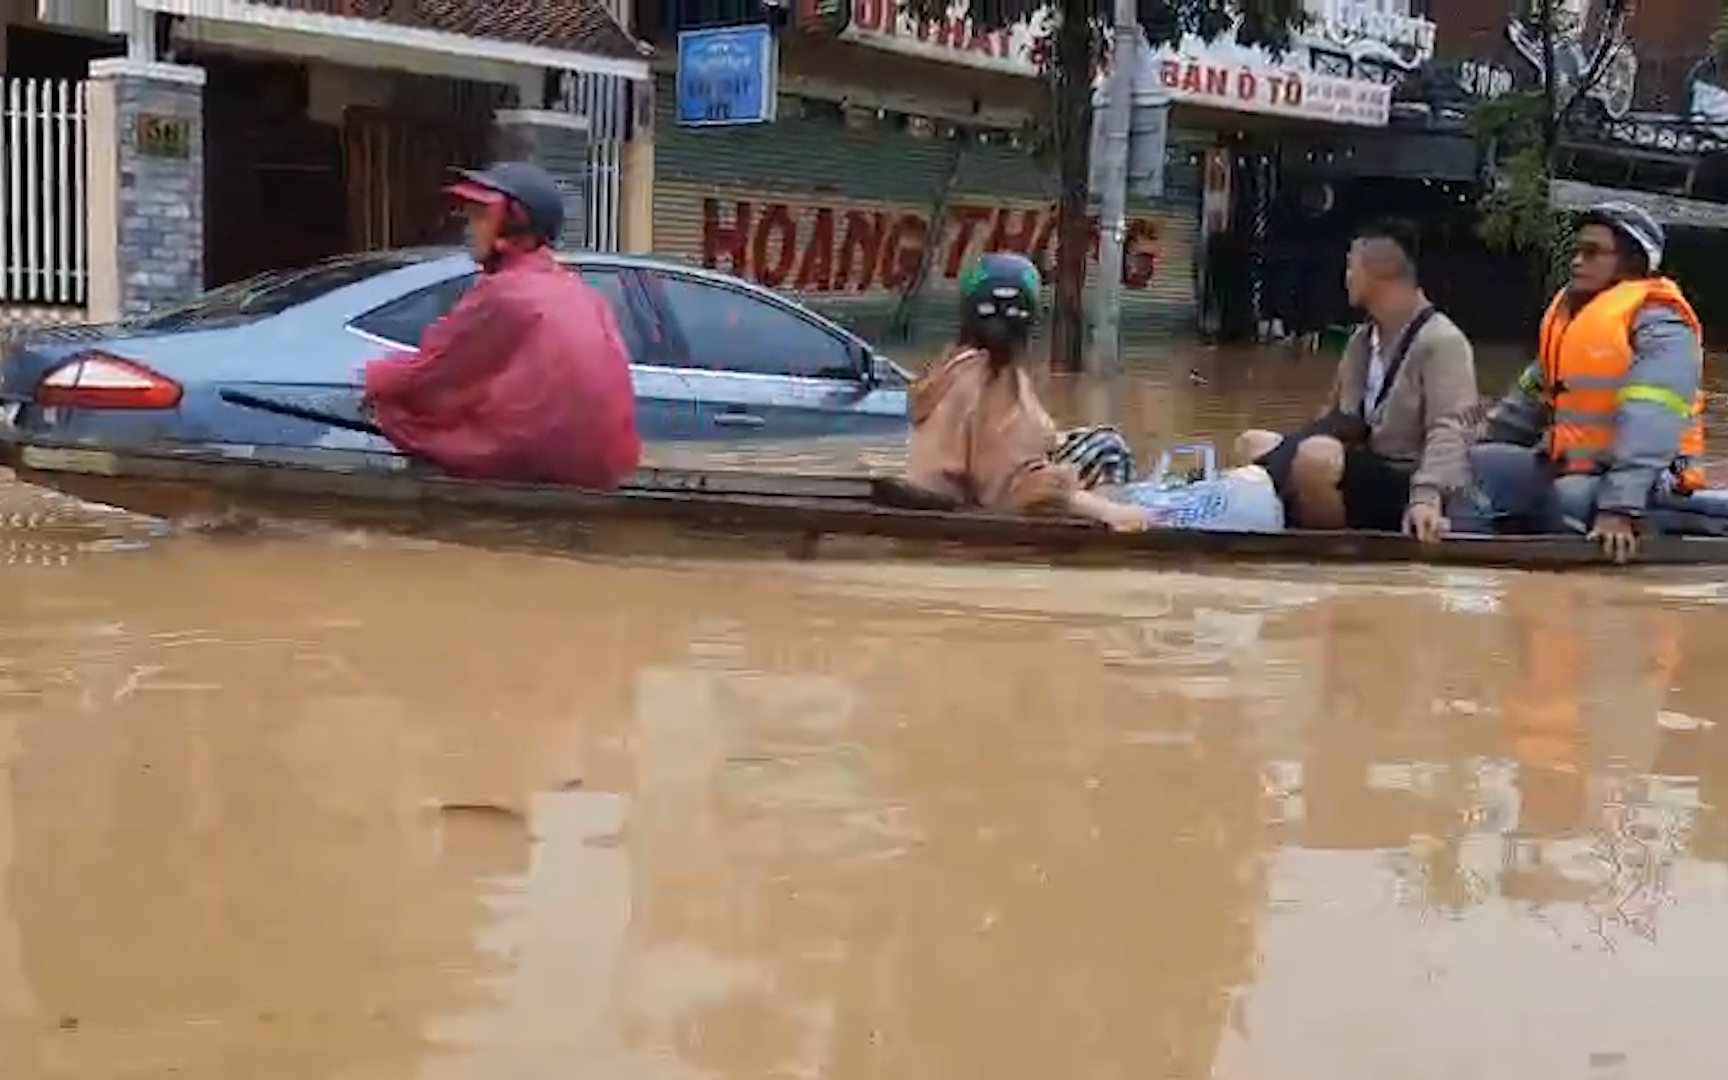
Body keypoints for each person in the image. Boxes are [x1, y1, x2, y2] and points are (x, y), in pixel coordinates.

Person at [363, 161, 640, 488]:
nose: (470, 229)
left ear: (513, 223)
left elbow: (434, 372)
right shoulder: (579, 291)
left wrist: (373, 380)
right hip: (598, 467)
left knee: (398, 409)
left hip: (520, 458)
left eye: (480, 218)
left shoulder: (505, 292)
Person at [1457, 201, 1707, 562]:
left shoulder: (1662, 325)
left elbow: (1651, 423)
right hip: (1569, 468)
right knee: (1470, 467)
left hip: (1645, 482)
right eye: (1577, 251)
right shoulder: (1571, 322)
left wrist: (1620, 508)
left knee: (1568, 498)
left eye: (1592, 253)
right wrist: (1457, 450)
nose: (1577, 261)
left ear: (1632, 260)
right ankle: (1465, 563)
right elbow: (1522, 408)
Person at [1236, 220, 1478, 542]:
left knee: (1315, 458)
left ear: (1379, 274)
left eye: (1351, 267)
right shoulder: (1362, 341)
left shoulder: (1442, 341)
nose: (1346, 278)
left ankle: (1327, 548)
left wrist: (1427, 498)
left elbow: (1451, 427)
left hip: (1404, 475)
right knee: (1252, 443)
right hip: (1359, 461)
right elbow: (1337, 415)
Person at [903, 252, 1151, 531]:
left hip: (956, 489)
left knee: (1096, 441)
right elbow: (1019, 486)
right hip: (987, 505)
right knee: (1109, 449)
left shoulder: (951, 366)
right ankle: (1097, 534)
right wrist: (1109, 512)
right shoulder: (994, 378)